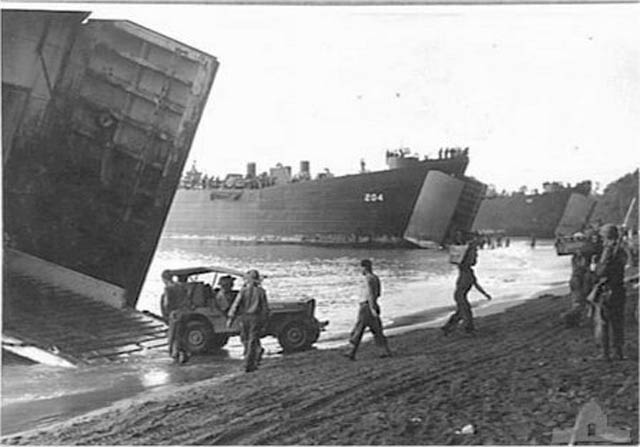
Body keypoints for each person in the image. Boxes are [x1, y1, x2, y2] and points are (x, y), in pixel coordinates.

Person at [344, 259, 392, 360]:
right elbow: (378, 293)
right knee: (377, 330)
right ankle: (384, 351)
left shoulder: (367, 279)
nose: (360, 270)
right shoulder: (375, 278)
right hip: (372, 304)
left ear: (364, 267)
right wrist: (375, 306)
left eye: (361, 268)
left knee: (358, 329)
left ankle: (351, 352)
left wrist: (371, 307)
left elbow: (370, 294)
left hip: (366, 306)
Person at [593, 224, 628, 361]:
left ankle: (605, 353)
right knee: (618, 322)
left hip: (607, 290)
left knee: (603, 322)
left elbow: (601, 271)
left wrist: (597, 267)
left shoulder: (609, 250)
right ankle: (618, 351)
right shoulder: (621, 250)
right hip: (619, 289)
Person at [442, 244, 492, 335]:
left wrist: (485, 294)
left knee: (460, 313)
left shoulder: (470, 272)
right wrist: (469, 249)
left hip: (461, 295)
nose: (476, 258)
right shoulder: (464, 269)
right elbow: (462, 262)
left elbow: (476, 285)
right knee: (466, 312)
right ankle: (468, 330)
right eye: (475, 256)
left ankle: (447, 327)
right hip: (460, 295)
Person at [227, 269, 269, 372]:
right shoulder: (261, 291)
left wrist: (231, 318)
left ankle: (248, 361)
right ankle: (250, 362)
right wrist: (264, 321)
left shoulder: (243, 291)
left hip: (245, 317)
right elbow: (264, 308)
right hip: (255, 318)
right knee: (252, 340)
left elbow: (236, 305)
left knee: (245, 339)